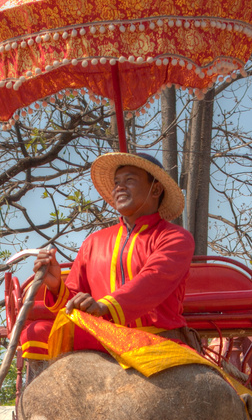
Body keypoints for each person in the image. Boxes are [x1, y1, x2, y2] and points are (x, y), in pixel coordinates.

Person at [28, 152, 193, 364]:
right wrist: (56, 287)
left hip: (156, 339)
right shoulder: (93, 241)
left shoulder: (175, 238)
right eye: (116, 182)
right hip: (102, 338)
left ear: (156, 189)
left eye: (130, 180)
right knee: (36, 331)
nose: (119, 188)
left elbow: (153, 280)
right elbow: (74, 304)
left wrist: (105, 307)